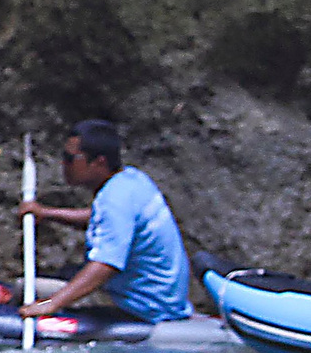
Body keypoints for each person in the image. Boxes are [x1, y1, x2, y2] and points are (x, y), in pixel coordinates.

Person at [16, 119, 191, 322]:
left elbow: (105, 265)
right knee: (65, 274)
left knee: (23, 288)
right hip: (162, 299)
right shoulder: (132, 180)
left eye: (70, 158)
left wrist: (50, 304)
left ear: (99, 162)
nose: (64, 164)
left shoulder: (115, 199)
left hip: (143, 308)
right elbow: (102, 220)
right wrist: (48, 213)